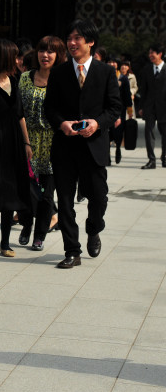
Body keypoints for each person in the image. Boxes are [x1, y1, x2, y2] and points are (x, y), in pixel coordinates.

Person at [44, 19, 121, 268]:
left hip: (94, 146)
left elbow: (114, 108)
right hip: (65, 147)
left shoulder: (106, 72)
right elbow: (50, 108)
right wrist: (61, 123)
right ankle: (72, 251)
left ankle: (94, 228)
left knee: (98, 198)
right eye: (70, 38)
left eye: (77, 38)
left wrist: (97, 123)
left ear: (90, 42)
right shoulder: (58, 72)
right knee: (65, 201)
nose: (72, 43)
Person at [0, 39, 33, 258]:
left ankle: (4, 243)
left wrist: (27, 142)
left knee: (10, 193)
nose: (17, 60)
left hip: (12, 142)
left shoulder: (15, 79)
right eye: (14, 56)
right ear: (2, 56)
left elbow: (20, 114)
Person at [17, 36, 67, 251]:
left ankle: (40, 235)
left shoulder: (62, 80)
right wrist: (25, 141)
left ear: (58, 55)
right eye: (42, 50)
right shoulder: (25, 78)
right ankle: (27, 223)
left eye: (50, 51)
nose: (45, 55)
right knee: (26, 190)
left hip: (53, 143)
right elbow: (18, 112)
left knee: (47, 195)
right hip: (27, 141)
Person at [138, 42, 166, 169]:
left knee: (164, 133)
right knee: (149, 133)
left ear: (160, 54)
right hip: (149, 106)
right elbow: (143, 90)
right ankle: (151, 160)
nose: (150, 55)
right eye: (149, 53)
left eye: (152, 53)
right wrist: (141, 107)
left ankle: (164, 158)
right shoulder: (146, 69)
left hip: (164, 107)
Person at [105, 57, 133, 164]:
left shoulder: (123, 78)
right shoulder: (103, 75)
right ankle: (107, 155)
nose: (112, 64)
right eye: (110, 62)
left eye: (114, 62)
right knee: (107, 133)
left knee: (118, 132)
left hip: (119, 110)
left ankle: (118, 150)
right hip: (106, 109)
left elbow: (127, 96)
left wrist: (130, 112)